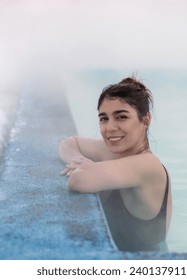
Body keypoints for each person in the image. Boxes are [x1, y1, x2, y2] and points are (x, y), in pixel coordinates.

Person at [58, 76, 172, 252]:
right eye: (104, 118)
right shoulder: (112, 152)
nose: (110, 127)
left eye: (121, 117)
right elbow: (69, 143)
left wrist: (89, 169)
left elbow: (78, 180)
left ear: (145, 120)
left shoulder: (149, 165)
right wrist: (78, 160)